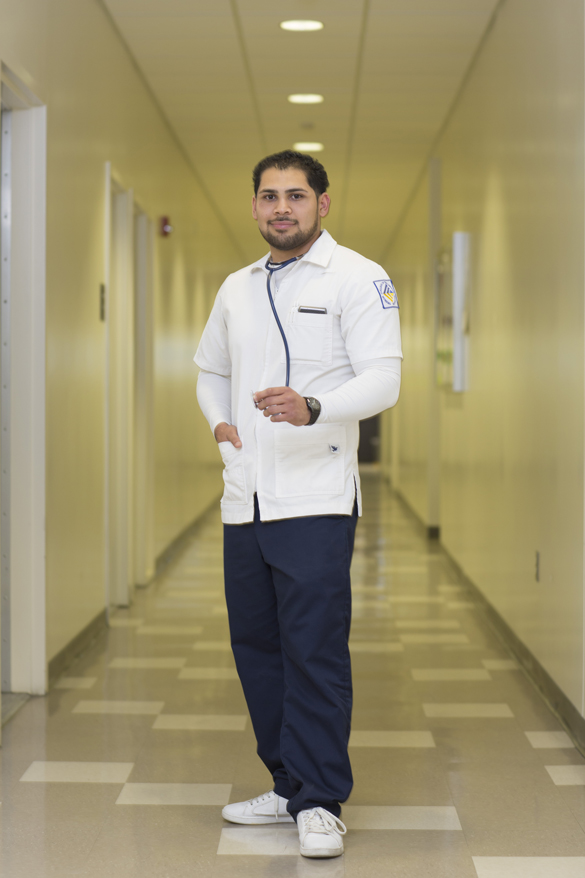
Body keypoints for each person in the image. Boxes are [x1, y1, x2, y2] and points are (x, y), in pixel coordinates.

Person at [195, 150, 402, 858]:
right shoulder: (237, 286)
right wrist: (219, 426)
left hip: (314, 497)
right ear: (253, 207)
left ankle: (319, 800)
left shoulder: (358, 278)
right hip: (244, 497)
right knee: (255, 647)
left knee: (311, 650)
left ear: (322, 203)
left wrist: (313, 406)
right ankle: (285, 784)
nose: (280, 207)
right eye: (267, 196)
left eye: (295, 195)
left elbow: (382, 381)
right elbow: (209, 371)